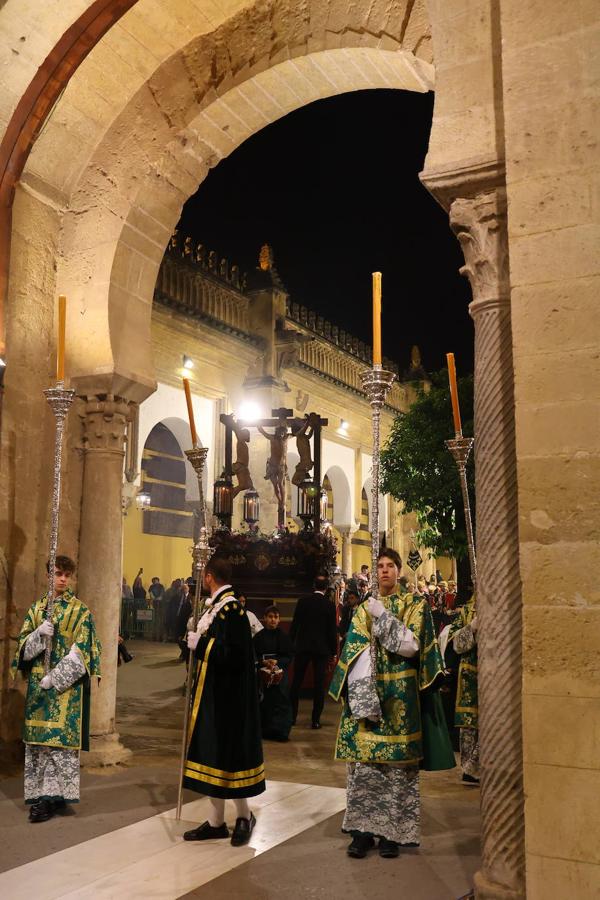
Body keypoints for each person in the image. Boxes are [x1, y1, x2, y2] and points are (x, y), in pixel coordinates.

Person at [329, 549, 451, 859]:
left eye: (389, 566)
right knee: (364, 769)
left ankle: (391, 835)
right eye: (380, 566)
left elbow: (411, 646)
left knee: (396, 772)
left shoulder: (415, 605)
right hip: (367, 698)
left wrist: (382, 617)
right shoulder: (363, 608)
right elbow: (352, 647)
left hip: (399, 699)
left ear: (398, 571)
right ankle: (361, 833)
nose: (384, 571)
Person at [10, 555, 101, 823]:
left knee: (59, 745)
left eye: (66, 575)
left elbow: (84, 651)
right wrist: (38, 634)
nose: (62, 579)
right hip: (38, 687)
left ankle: (53, 797)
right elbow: (22, 652)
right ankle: (42, 795)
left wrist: (56, 677)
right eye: (57, 574)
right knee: (39, 744)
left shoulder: (80, 611)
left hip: (64, 689)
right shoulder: (36, 610)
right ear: (48, 575)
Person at [183, 556, 264, 846]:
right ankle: (216, 822)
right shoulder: (216, 608)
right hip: (212, 694)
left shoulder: (232, 610)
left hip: (229, 698)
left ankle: (244, 816)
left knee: (231, 758)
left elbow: (235, 656)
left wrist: (201, 644)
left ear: (208, 577)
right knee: (212, 757)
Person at [289, 574, 337, 729]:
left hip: (303, 647)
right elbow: (332, 631)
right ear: (326, 588)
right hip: (321, 649)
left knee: (296, 682)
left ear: (314, 586)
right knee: (319, 685)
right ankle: (315, 720)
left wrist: (290, 645)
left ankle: (292, 717)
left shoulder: (303, 602)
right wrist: (333, 652)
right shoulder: (329, 605)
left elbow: (295, 625)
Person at [447, 594, 479, 783]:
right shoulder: (466, 611)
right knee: (469, 723)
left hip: (496, 674)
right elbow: (456, 645)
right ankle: (469, 768)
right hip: (470, 676)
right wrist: (472, 627)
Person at [254, 606, 294, 742]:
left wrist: (277, 662)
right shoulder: (258, 637)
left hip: (279, 674)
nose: (273, 620)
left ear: (279, 620)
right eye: (270, 617)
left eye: (276, 617)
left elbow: (289, 656)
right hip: (263, 674)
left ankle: (281, 732)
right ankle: (265, 731)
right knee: (264, 702)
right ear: (265, 618)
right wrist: (263, 662)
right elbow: (253, 655)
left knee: (281, 701)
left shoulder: (284, 637)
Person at [338, 579, 361, 643]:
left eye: (352, 598)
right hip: (346, 639)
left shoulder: (361, 610)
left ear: (357, 599)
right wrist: (343, 634)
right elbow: (343, 623)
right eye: (349, 598)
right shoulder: (346, 609)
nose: (349, 600)